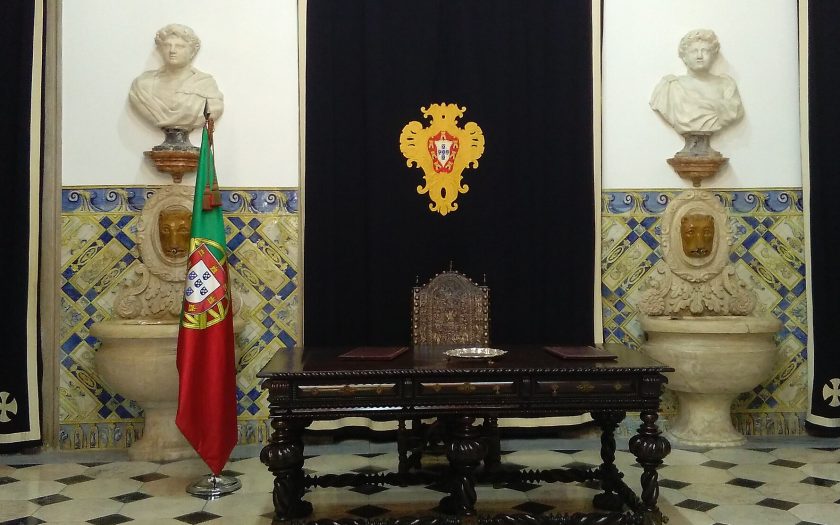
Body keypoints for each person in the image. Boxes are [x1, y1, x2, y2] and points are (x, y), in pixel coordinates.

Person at [129, 24, 223, 131]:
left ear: (192, 51)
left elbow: (214, 109)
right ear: (160, 49)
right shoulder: (142, 85)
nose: (172, 51)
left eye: (180, 46)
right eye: (167, 45)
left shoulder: (206, 85)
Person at [650, 29, 743, 134]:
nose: (700, 56)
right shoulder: (670, 86)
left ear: (713, 55)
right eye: (694, 51)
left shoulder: (726, 85)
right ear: (684, 57)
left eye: (705, 51)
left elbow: (734, 112)